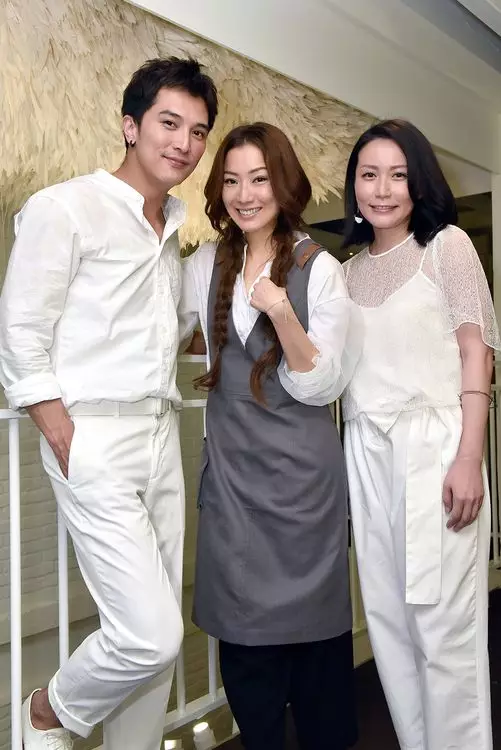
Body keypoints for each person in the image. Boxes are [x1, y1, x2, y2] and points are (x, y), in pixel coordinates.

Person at [0, 57, 218, 750]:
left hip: (159, 433)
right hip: (92, 436)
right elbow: (21, 328)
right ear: (130, 125)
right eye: (168, 123)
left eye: (198, 131)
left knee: (157, 636)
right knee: (149, 633)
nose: (184, 143)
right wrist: (59, 428)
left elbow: (152, 331)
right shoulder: (66, 206)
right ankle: (47, 711)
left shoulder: (173, 228)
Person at [179, 122, 361, 750]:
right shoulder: (203, 265)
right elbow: (159, 331)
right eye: (231, 181)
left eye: (259, 179)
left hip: (303, 485)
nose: (244, 194)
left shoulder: (321, 269)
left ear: (283, 184)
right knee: (247, 661)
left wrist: (281, 310)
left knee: (317, 663)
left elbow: (323, 384)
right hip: (233, 483)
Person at [341, 118, 500, 750]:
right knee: (388, 625)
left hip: (434, 448)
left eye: (398, 175)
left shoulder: (446, 247)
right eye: (369, 175)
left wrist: (469, 456)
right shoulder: (346, 273)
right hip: (366, 452)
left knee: (444, 629)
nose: (382, 189)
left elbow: (477, 352)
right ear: (354, 185)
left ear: (419, 182)